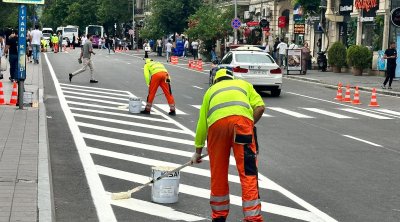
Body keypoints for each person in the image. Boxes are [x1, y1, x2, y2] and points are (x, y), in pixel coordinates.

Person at [191, 68, 265, 222]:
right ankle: (253, 218)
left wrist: (198, 151)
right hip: (241, 124)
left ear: (216, 80)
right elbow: (260, 107)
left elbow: (202, 125)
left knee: (218, 172)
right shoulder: (243, 84)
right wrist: (248, 126)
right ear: (231, 78)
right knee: (248, 173)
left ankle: (219, 217)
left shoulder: (210, 91)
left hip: (216, 128)